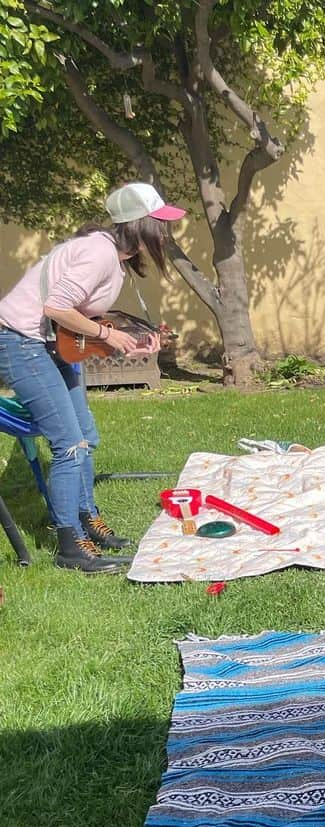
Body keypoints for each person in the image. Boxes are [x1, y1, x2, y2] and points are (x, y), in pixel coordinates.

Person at [0, 181, 184, 573]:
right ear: (139, 224)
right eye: (160, 222)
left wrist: (126, 342)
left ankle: (88, 519)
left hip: (48, 344)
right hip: (20, 343)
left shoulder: (114, 256)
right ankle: (69, 546)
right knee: (68, 444)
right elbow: (56, 306)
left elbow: (80, 321)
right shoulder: (98, 254)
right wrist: (107, 335)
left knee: (85, 436)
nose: (165, 232)